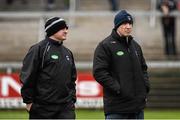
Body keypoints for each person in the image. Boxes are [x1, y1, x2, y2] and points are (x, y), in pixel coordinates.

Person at [93, 10, 150, 119]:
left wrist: (145, 87)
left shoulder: (136, 46)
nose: (128, 26)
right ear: (117, 25)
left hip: (137, 108)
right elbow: (99, 72)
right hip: (117, 108)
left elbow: (143, 69)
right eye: (124, 23)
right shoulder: (105, 46)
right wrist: (118, 88)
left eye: (130, 24)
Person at [20, 17, 77, 119]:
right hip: (42, 108)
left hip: (66, 108)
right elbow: (28, 76)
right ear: (53, 30)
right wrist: (28, 101)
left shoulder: (68, 52)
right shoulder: (38, 49)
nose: (66, 31)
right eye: (62, 28)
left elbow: (72, 79)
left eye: (66, 28)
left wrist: (72, 100)